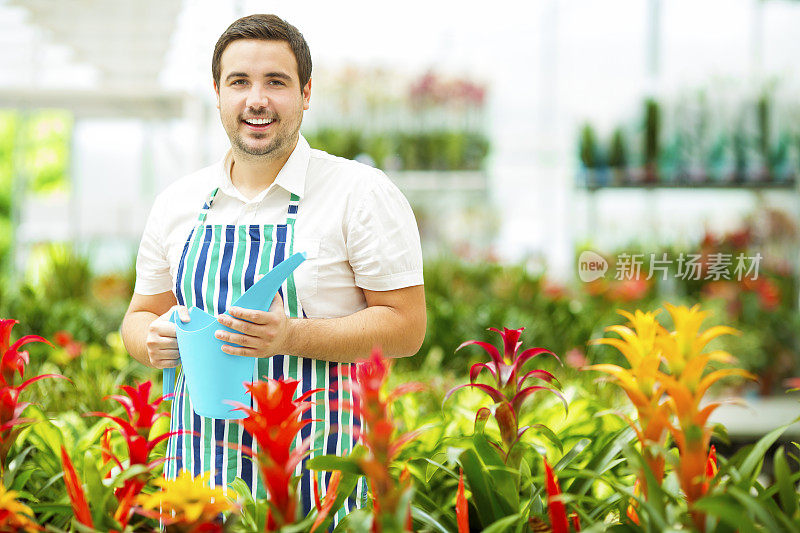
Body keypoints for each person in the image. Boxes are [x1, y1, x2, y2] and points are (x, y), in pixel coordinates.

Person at [120, 13, 426, 525]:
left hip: (317, 479)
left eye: (276, 82)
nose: (256, 99)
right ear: (217, 93)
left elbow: (407, 327)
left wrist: (289, 336)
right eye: (239, 82)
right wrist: (151, 342)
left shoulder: (359, 193)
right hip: (197, 480)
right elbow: (137, 317)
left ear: (306, 93)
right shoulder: (178, 202)